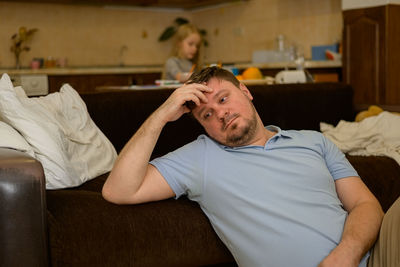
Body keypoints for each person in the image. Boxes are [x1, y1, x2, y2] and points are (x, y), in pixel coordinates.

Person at [102, 67, 398, 266]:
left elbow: (365, 204)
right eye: (207, 115)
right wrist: (162, 114)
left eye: (223, 98)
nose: (221, 113)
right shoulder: (200, 158)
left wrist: (345, 256)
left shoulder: (313, 142)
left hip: (376, 256)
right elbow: (119, 190)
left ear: (245, 91)